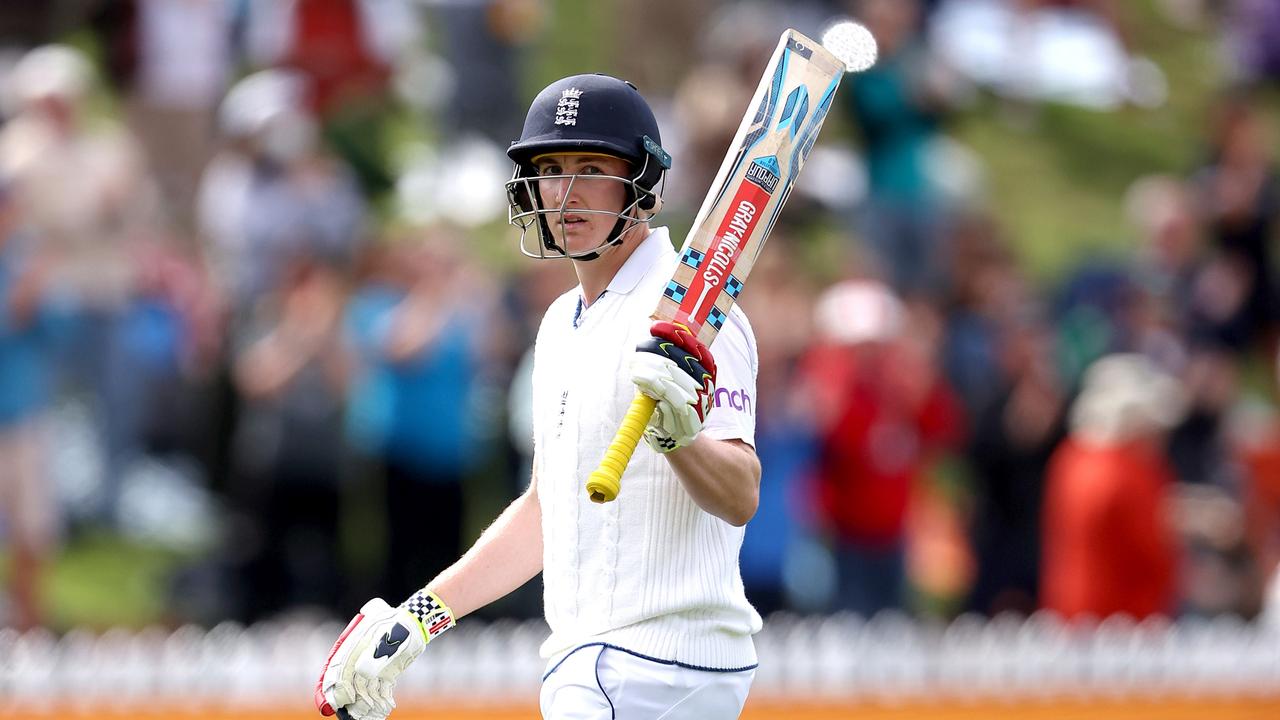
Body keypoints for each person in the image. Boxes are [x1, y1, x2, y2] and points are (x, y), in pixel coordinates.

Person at [315, 74, 763, 719]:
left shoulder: (693, 312)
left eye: (592, 167)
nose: (567, 191)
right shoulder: (559, 324)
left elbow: (740, 493)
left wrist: (680, 438)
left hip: (664, 664)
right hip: (588, 660)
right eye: (551, 168)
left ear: (642, 183)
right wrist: (418, 620)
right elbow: (548, 510)